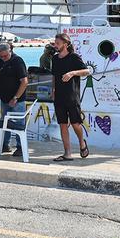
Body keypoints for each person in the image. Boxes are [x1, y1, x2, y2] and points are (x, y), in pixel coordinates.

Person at [50, 32, 90, 162]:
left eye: (58, 43)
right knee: (62, 124)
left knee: (75, 124)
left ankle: (82, 143)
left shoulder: (74, 57)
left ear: (65, 44)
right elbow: (54, 76)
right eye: (55, 43)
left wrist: (72, 73)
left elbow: (87, 71)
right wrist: (53, 90)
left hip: (72, 96)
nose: (55, 46)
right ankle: (67, 153)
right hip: (59, 96)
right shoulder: (55, 59)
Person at [0, 43, 29, 157]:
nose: (3, 58)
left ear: (10, 51)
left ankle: (20, 147)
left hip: (17, 99)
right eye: (1, 56)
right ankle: (4, 145)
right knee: (4, 122)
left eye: (5, 56)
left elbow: (24, 82)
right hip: (4, 98)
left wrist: (15, 97)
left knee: (19, 123)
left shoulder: (17, 61)